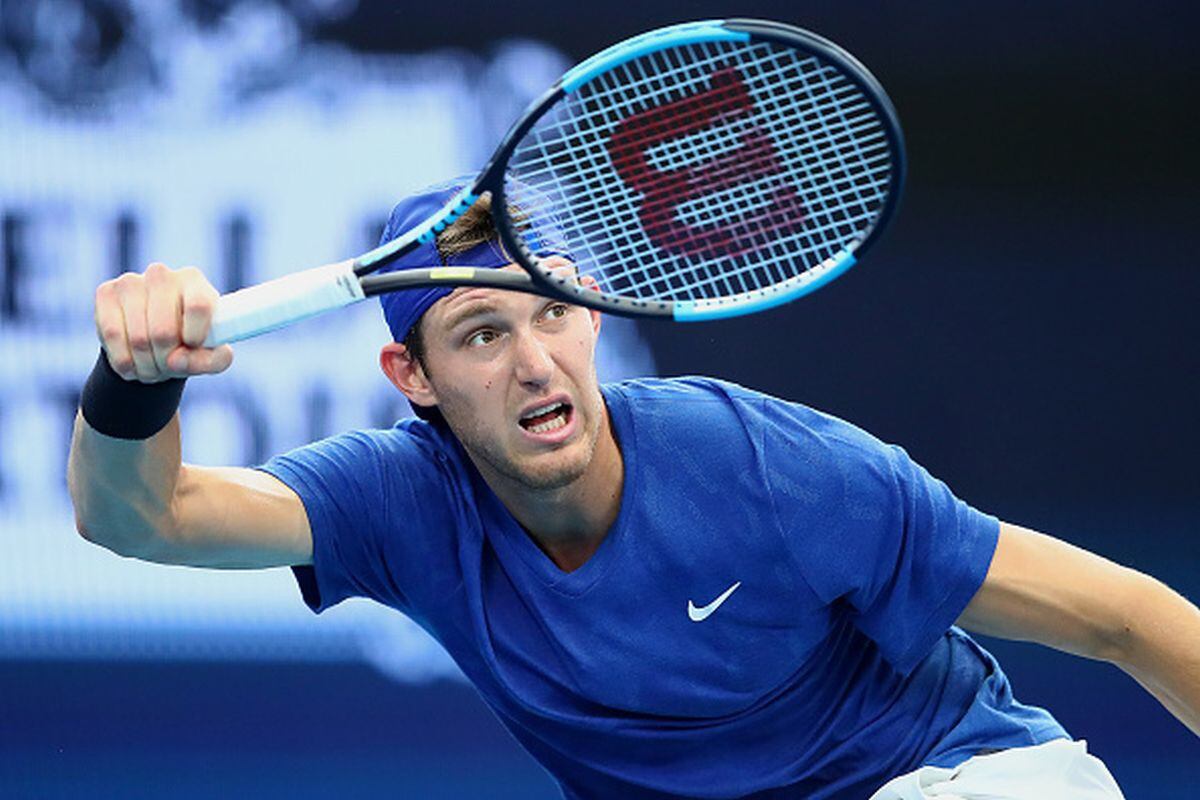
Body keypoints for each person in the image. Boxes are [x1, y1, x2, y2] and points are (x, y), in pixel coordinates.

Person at [68, 178, 1199, 800]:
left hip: (961, 783)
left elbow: (1127, 616)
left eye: (553, 309)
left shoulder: (774, 468)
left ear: (595, 314)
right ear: (411, 378)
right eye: (480, 331)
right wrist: (133, 377)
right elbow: (141, 516)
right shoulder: (402, 502)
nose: (533, 359)